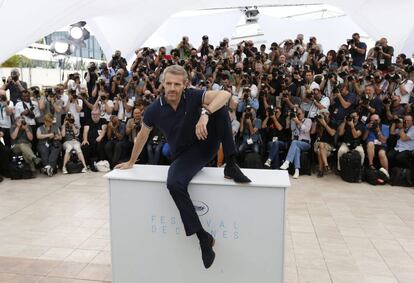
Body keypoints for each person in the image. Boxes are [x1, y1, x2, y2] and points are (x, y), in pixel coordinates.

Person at [115, 65, 250, 269]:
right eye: (168, 83)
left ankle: (230, 163)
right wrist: (131, 162)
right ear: (162, 84)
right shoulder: (154, 109)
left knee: (219, 107)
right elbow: (142, 135)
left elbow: (224, 93)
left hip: (207, 142)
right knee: (174, 183)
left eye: (177, 84)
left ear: (185, 85)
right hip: (187, 155)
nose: (172, 88)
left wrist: (205, 113)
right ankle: (203, 238)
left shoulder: (193, 96)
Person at [279, 108, 312, 178]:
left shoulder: (308, 120)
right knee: (296, 148)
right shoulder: (294, 120)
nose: (298, 115)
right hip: (296, 143)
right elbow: (291, 129)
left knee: (294, 143)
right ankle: (297, 170)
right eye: (297, 114)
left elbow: (306, 130)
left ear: (303, 114)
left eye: (299, 114)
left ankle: (287, 161)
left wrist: (297, 121)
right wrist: (290, 119)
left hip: (305, 143)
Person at [312, 110, 337, 177]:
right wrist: (315, 122)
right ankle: (326, 164)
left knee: (320, 150)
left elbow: (332, 133)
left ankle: (320, 170)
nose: (323, 115)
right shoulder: (318, 123)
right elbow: (312, 132)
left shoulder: (333, 123)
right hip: (317, 144)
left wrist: (325, 124)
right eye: (321, 114)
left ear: (329, 114)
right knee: (321, 144)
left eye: (325, 113)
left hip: (329, 145)